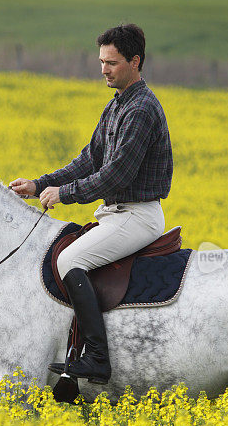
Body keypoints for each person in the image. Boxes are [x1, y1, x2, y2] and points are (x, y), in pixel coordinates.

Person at [9, 23, 173, 384]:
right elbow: (88, 160)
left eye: (112, 63)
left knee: (70, 259)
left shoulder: (141, 110)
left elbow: (115, 175)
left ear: (135, 61)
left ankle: (97, 358)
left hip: (137, 216)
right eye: (101, 62)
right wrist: (40, 184)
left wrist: (64, 195)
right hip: (117, 214)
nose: (104, 70)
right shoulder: (117, 106)